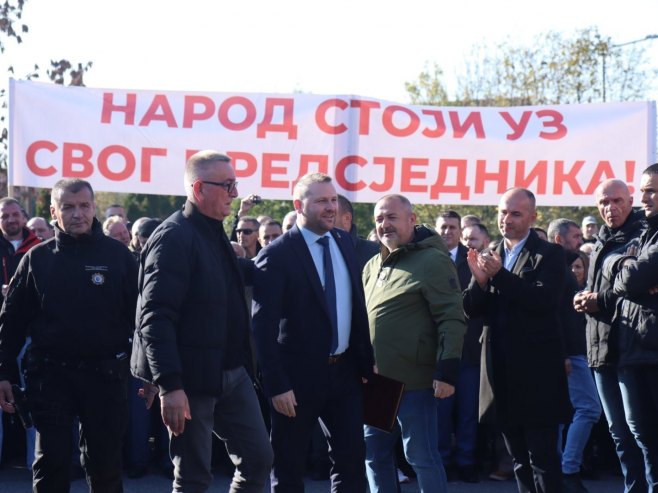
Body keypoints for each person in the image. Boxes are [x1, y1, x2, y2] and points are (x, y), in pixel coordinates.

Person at [130, 150, 272, 492]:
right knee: (193, 476)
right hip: (189, 379)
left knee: (259, 459)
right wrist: (170, 385)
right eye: (227, 185)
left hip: (232, 373)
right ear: (198, 188)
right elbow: (155, 317)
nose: (235, 193)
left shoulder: (214, 232)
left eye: (234, 184)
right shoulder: (173, 238)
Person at [0, 179, 138, 492]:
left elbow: (141, 321)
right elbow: (12, 322)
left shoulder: (119, 257)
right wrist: (4, 372)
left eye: (84, 206)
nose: (77, 214)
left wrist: (152, 375)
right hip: (51, 377)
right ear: (54, 211)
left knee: (105, 467)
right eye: (68, 207)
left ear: (94, 207)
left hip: (105, 376)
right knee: (51, 466)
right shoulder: (37, 259)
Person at [251, 172, 374, 492]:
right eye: (321, 201)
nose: (330, 207)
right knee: (289, 468)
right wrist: (277, 386)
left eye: (333, 200)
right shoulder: (276, 254)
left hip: (345, 373)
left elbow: (355, 307)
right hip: (296, 379)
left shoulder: (344, 241)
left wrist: (366, 362)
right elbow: (262, 329)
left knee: (351, 464)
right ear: (298, 205)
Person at [463, 187, 571, 493]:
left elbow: (543, 301)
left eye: (515, 213)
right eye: (502, 212)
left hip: (536, 374)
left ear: (533, 217)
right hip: (501, 371)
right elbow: (472, 309)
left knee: (543, 459)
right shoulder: (493, 252)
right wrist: (480, 284)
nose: (506, 219)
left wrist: (498, 276)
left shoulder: (548, 254)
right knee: (518, 460)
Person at [363, 196, 465, 493]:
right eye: (379, 218)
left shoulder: (433, 260)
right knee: (375, 454)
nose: (384, 224)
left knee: (420, 457)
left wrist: (447, 371)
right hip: (378, 381)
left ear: (412, 219)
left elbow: (452, 318)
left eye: (392, 217)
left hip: (415, 382)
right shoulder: (372, 264)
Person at [573, 179, 647, 493]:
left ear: (630, 200)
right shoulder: (602, 237)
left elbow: (640, 290)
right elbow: (600, 291)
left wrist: (598, 300)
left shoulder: (644, 234)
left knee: (641, 431)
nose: (610, 207)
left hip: (634, 349)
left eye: (617, 200)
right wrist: (583, 299)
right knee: (619, 433)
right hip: (601, 350)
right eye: (603, 202)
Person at [610, 164, 658, 489]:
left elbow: (635, 277)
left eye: (651, 190)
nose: (643, 197)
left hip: (653, 353)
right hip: (632, 350)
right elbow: (616, 271)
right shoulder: (644, 233)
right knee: (643, 438)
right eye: (642, 190)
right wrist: (625, 263)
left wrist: (629, 271)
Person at [547, 218, 602, 493]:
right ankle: (568, 470)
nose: (579, 241)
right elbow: (553, 317)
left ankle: (558, 470)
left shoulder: (558, 268)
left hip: (571, 352)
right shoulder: (555, 269)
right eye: (575, 237)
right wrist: (563, 354)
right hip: (568, 353)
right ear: (559, 239)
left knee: (559, 413)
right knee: (590, 408)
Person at [434, 210, 481, 483]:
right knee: (440, 414)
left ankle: (466, 461)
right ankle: (442, 462)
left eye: (453, 227)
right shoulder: (428, 258)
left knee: (467, 413)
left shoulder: (472, 258)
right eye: (443, 227)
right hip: (438, 353)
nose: (447, 232)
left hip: (469, 351)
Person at [336, 195, 379, 271]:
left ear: (347, 218)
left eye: (331, 213)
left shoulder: (375, 253)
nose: (325, 219)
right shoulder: (315, 248)